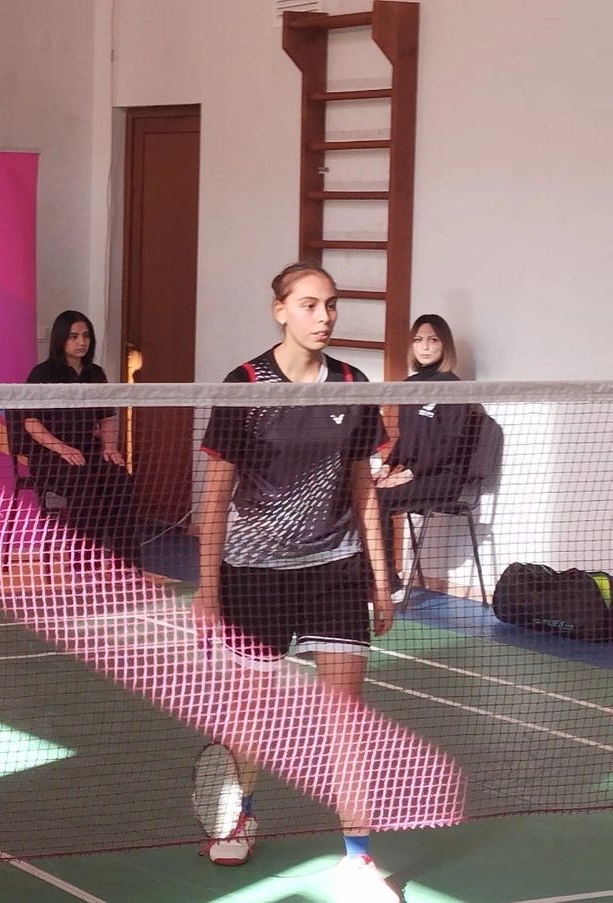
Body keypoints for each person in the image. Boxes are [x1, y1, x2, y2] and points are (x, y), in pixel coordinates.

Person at [193, 263, 397, 901]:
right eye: (309, 304)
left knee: (347, 718)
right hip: (254, 571)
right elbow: (215, 497)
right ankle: (239, 812)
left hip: (334, 568)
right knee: (248, 712)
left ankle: (358, 857)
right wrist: (206, 589)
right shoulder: (246, 384)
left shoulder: (352, 385)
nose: (324, 316)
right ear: (279, 310)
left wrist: (381, 576)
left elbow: (363, 486)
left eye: (330, 304)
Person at [20, 310, 141, 569]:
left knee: (118, 477)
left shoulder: (95, 374)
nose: (81, 342)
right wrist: (63, 449)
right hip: (50, 454)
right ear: (60, 339)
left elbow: (107, 417)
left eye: (86, 336)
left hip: (88, 448)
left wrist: (110, 447)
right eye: (73, 336)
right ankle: (84, 561)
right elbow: (30, 422)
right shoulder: (42, 374)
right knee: (84, 479)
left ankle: (127, 561)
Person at [374, 315, 471, 601]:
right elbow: (406, 439)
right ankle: (366, 575)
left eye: (432, 340)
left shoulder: (453, 387)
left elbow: (450, 448)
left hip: (444, 479)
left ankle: (388, 584)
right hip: (415, 475)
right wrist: (387, 467)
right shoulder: (410, 384)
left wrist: (408, 475)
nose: (424, 347)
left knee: (379, 499)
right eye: (418, 340)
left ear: (445, 345)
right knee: (365, 492)